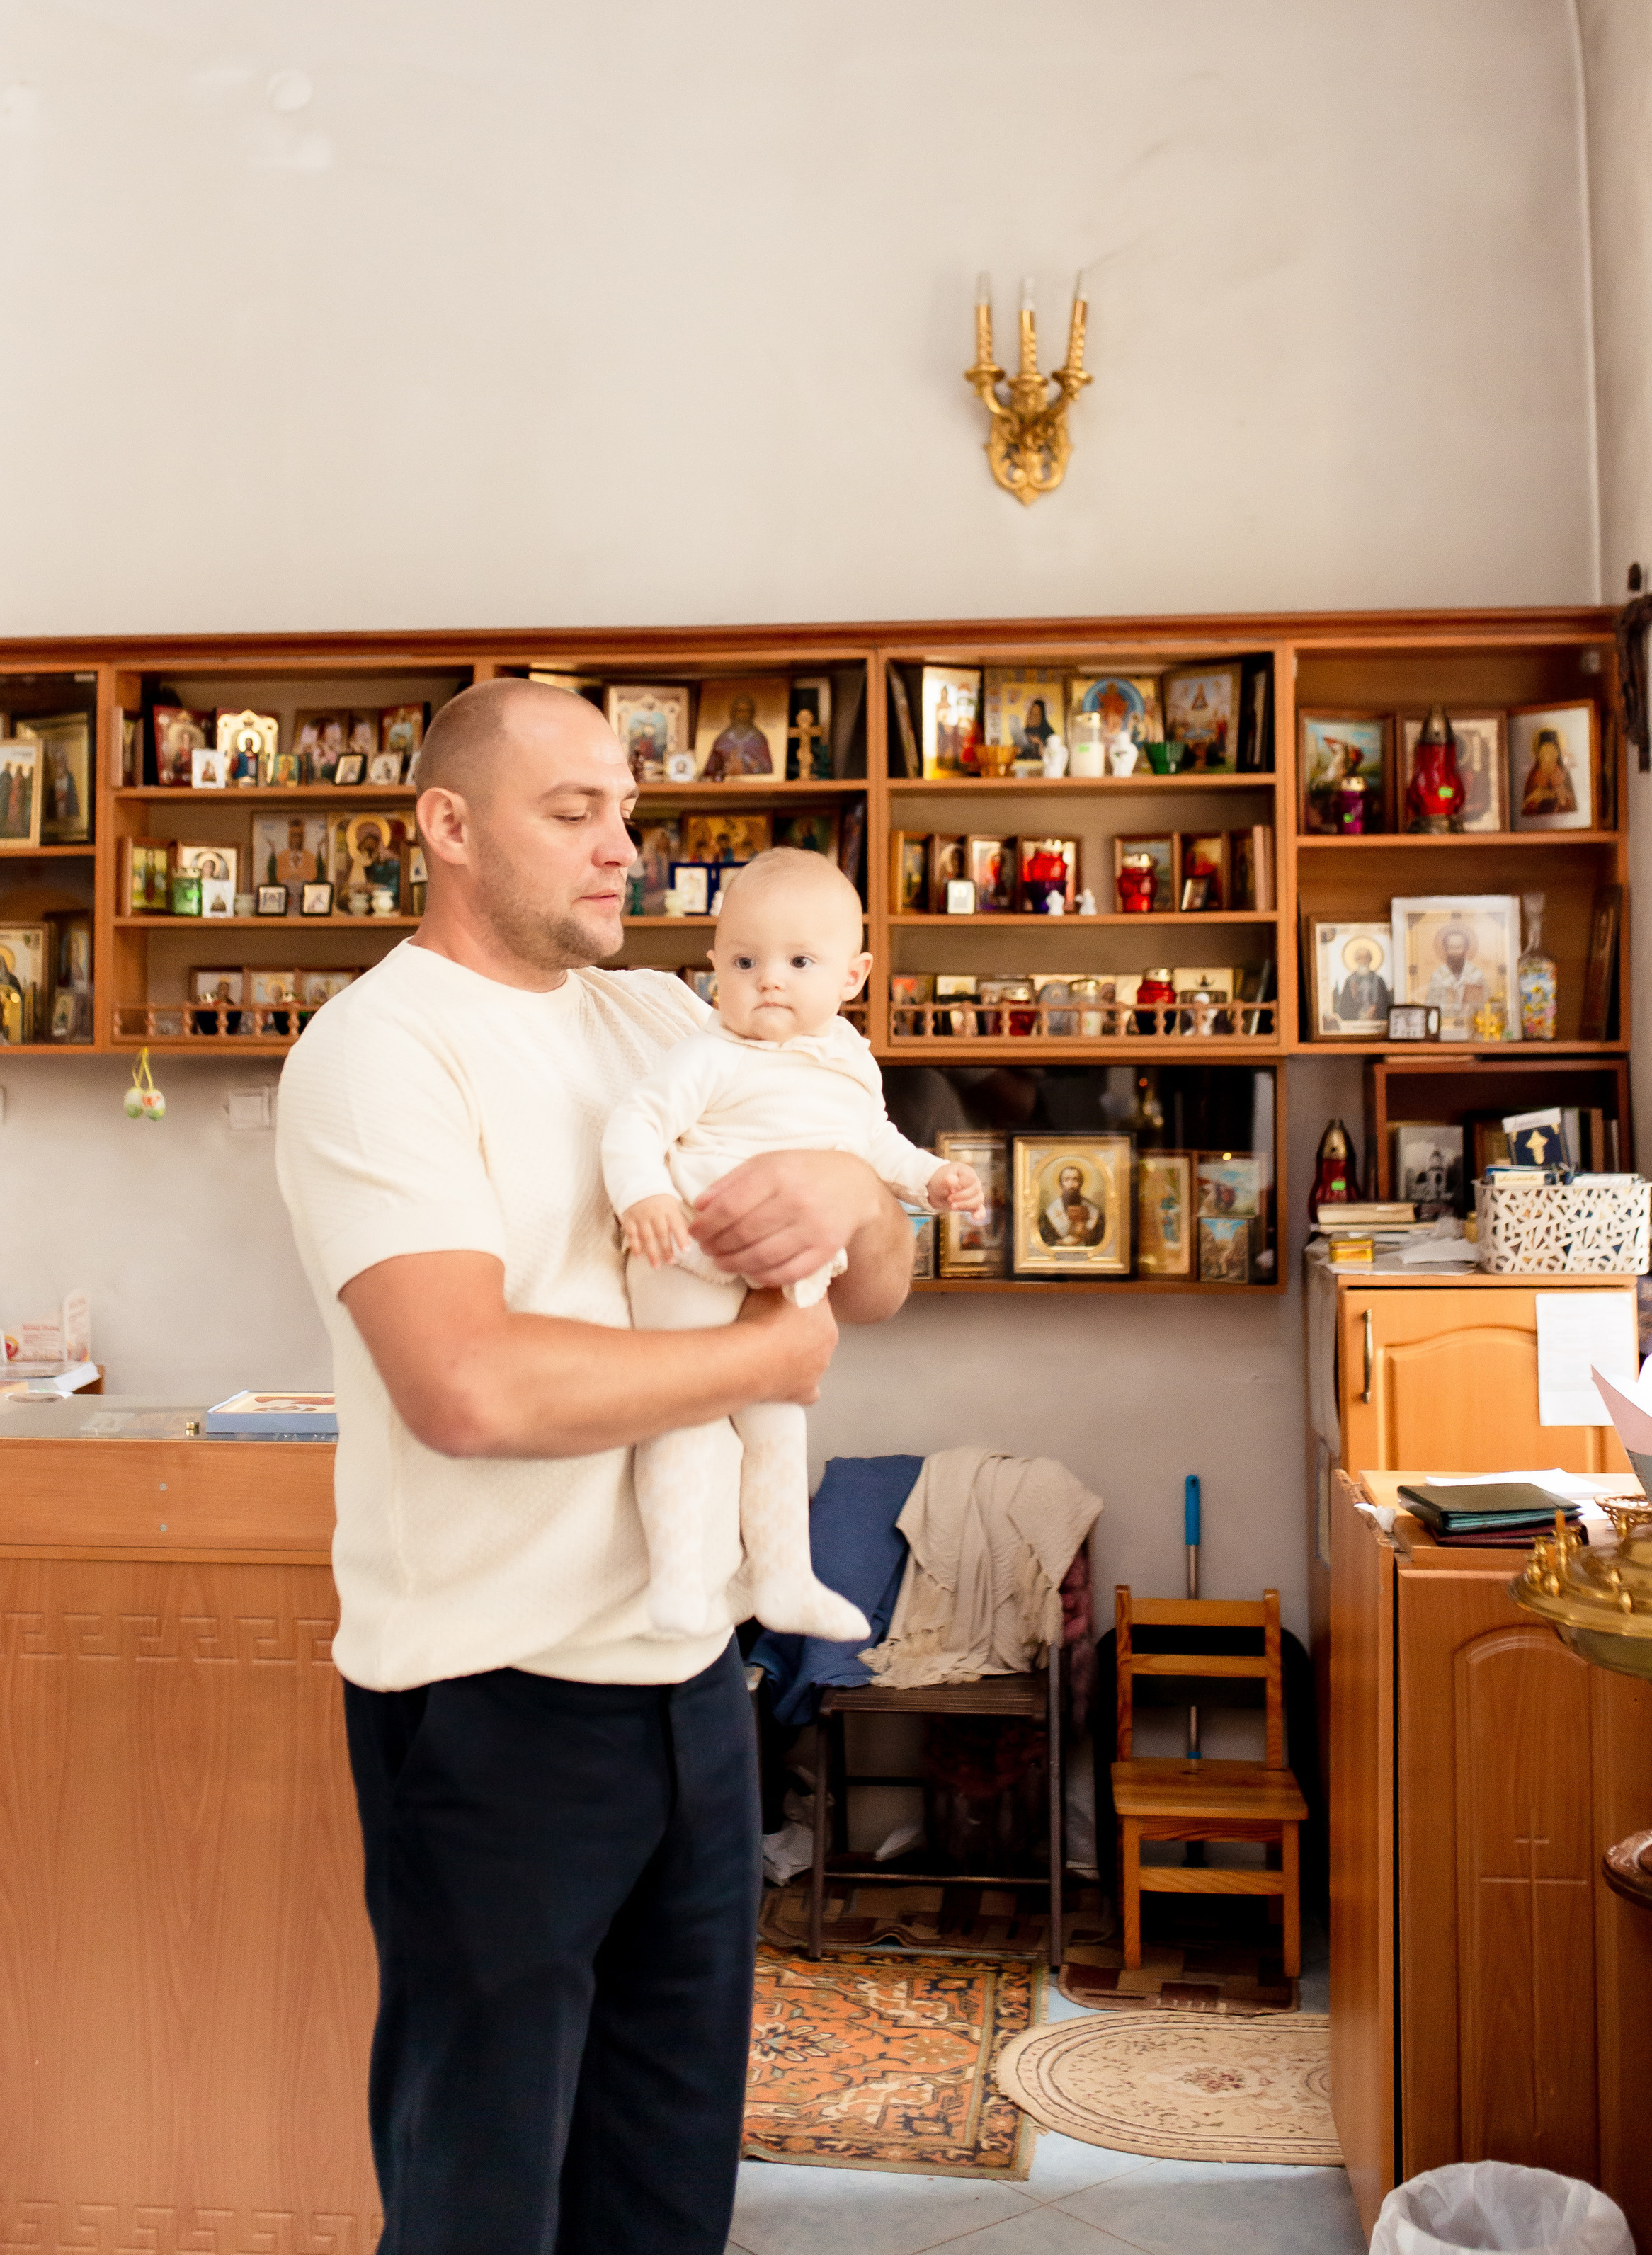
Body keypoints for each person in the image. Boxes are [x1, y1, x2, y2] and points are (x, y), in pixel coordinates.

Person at [273, 680, 913, 2255]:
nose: (623, 848)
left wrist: (844, 1178)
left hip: (693, 1694)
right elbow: (469, 1386)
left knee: (662, 2186)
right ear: (446, 826)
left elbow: (884, 1277)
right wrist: (763, 1362)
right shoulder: (378, 1052)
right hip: (493, 1715)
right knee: (482, 2203)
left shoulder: (665, 1018)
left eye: (625, 812)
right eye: (574, 815)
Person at [601, 848, 984, 1640]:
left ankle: (782, 1577)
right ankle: (675, 1583)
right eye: (744, 961)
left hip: (781, 1274)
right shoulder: (708, 1054)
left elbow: (871, 1143)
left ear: (853, 976)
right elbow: (635, 1123)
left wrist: (932, 1179)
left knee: (778, 1424)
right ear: (713, 970)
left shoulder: (847, 1059)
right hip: (688, 1251)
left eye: (799, 961)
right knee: (684, 1415)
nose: (768, 980)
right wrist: (643, 1196)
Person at [700, 692, 773, 779]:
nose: (743, 715)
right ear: (734, 713)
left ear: (752, 713)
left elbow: (768, 771)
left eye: (746, 711)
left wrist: (754, 766)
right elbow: (709, 773)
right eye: (740, 711)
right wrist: (725, 771)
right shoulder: (722, 740)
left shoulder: (759, 739)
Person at [1041, 1160, 1105, 1247]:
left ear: (1081, 1183)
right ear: (1061, 1183)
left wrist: (1087, 1235)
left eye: (1075, 1180)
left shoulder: (1095, 1212)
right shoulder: (1048, 1213)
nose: (1071, 1185)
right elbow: (1044, 1241)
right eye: (1067, 1180)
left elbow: (1100, 1240)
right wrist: (1061, 1242)